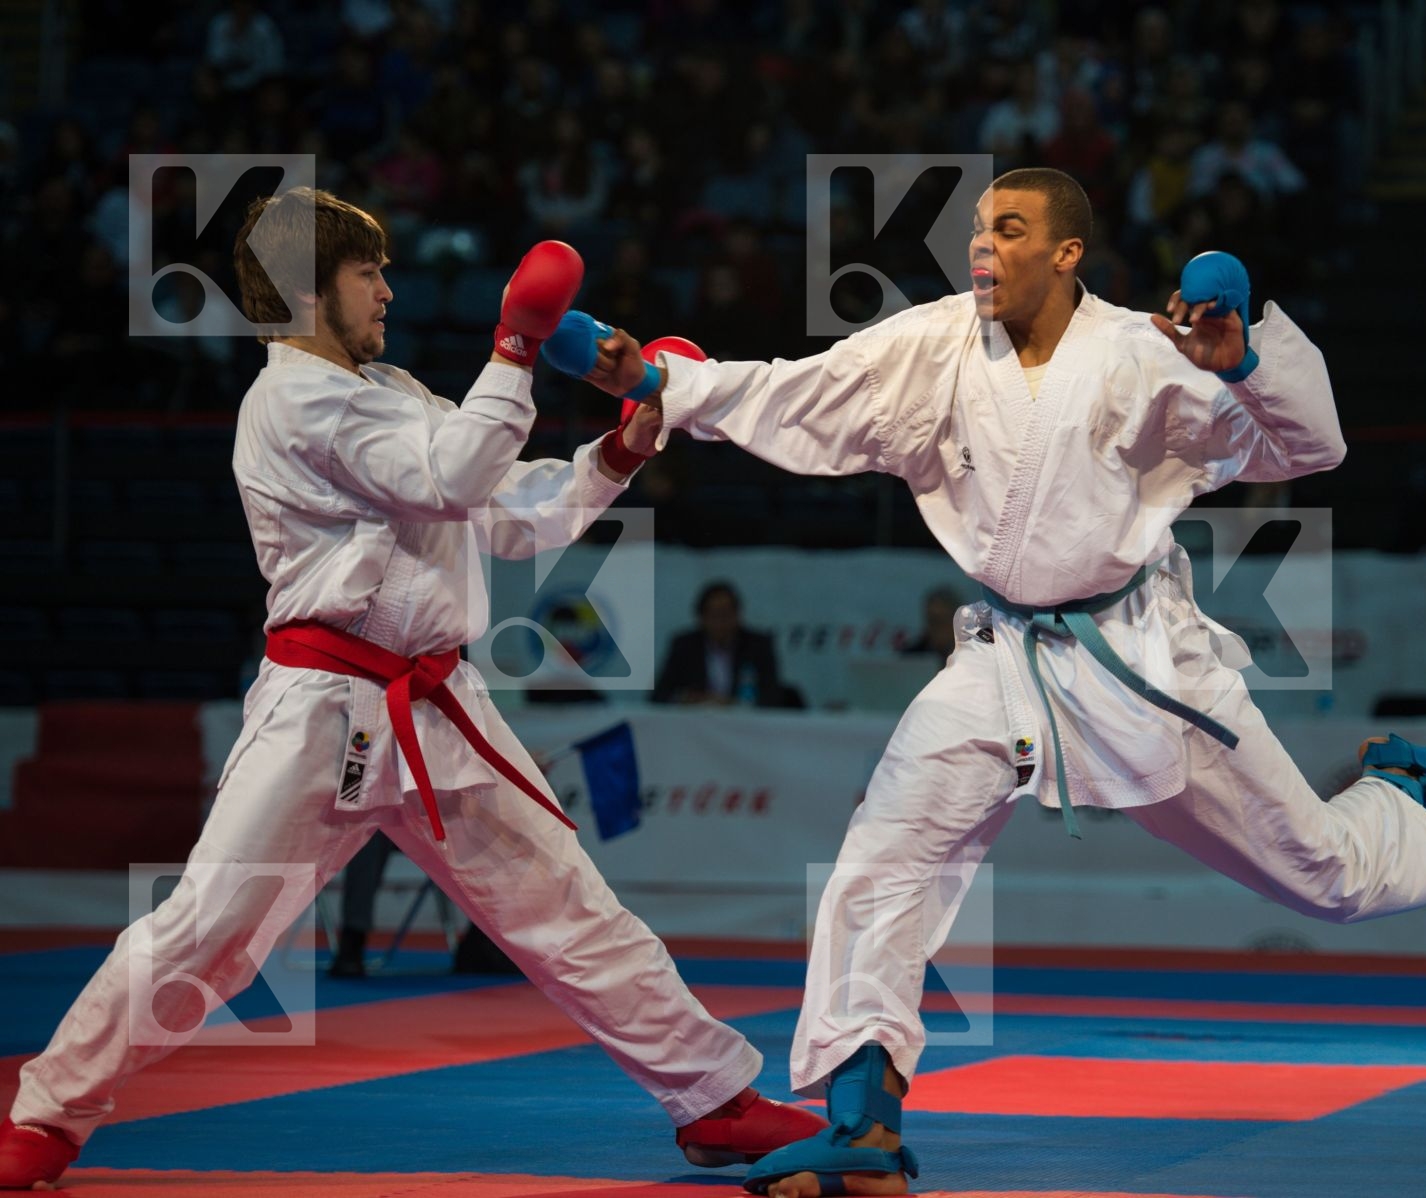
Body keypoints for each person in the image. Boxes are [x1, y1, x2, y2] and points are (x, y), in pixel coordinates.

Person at [565, 167, 1426, 1198]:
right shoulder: (937, 342)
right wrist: (660, 381)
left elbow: (1311, 447)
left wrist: (1244, 365)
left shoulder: (1149, 352)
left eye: (1009, 228)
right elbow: (801, 388)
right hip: (1002, 656)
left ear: (1066, 252)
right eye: (977, 227)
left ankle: (1405, 795)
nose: (982, 246)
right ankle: (863, 1127)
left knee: (1323, 876)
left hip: (1140, 660)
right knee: (883, 859)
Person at [0, 188, 821, 1191]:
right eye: (368, 272)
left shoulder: (389, 389)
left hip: (439, 702)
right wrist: (515, 348)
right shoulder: (291, 401)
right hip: (323, 708)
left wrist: (620, 448)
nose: (389, 290)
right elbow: (452, 477)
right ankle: (46, 1115)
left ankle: (715, 1102)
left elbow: (509, 513)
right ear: (306, 289)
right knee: (209, 928)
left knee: (570, 908)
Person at [652, 581, 795, 707]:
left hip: (744, 724)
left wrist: (734, 703)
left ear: (738, 615)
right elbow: (659, 694)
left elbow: (773, 696)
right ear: (701, 618)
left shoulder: (758, 645)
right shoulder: (684, 646)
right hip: (694, 723)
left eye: (726, 614)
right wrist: (686, 699)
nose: (721, 622)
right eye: (714, 615)